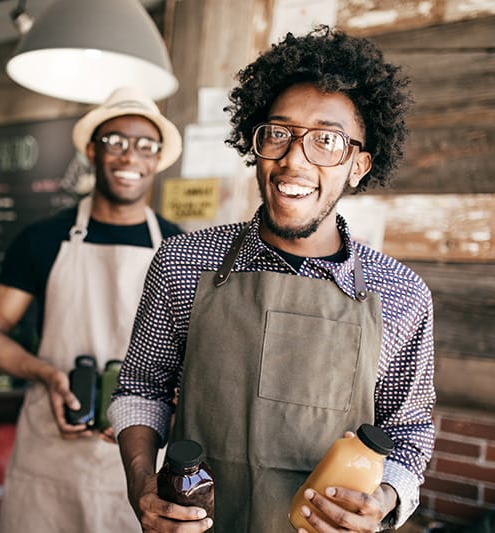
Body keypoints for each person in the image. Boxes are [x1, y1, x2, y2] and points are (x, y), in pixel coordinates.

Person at [109, 26, 436, 533]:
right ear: (255, 143)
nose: (295, 159)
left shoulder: (401, 294)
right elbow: (141, 388)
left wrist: (387, 500)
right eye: (279, 133)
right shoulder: (182, 261)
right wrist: (141, 486)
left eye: (326, 141)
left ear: (358, 165)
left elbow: (408, 430)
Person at [0, 86, 184, 532]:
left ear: (157, 160)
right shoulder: (43, 239)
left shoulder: (179, 249)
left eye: (146, 146)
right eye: (116, 142)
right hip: (51, 454)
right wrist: (46, 374)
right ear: (92, 150)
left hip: (139, 459)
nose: (131, 156)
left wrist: (158, 403)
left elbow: (197, 355)